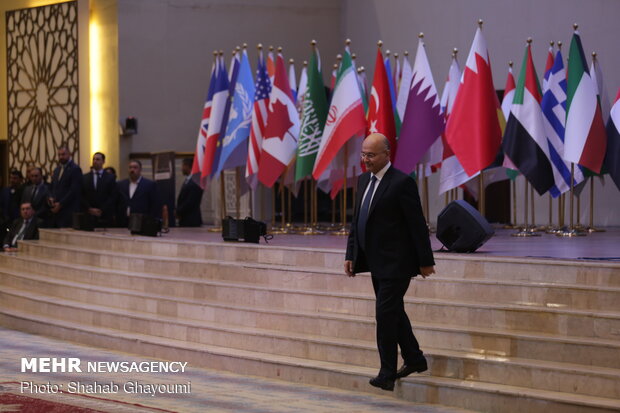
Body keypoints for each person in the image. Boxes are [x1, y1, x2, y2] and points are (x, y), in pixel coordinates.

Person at [345, 133, 435, 392]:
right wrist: (351, 254)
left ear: (387, 155)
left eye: (370, 155)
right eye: (363, 154)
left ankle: (387, 373)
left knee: (384, 316)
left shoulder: (401, 183)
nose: (365, 160)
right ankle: (415, 358)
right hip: (374, 261)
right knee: (393, 312)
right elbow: (357, 222)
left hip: (397, 263)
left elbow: (417, 225)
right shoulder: (364, 180)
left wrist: (425, 261)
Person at [116, 160, 160, 227]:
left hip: (141, 221)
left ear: (140, 170)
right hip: (123, 221)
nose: (132, 170)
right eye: (130, 167)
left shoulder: (149, 184)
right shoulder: (121, 184)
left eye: (135, 167)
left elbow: (154, 204)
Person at [50, 144, 83, 227]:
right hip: (56, 210)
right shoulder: (57, 169)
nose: (61, 157)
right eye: (59, 155)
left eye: (63, 154)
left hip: (68, 209)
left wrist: (61, 204)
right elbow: (53, 186)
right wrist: (51, 198)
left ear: (69, 154)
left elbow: (74, 190)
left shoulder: (75, 169)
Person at [82, 152, 117, 227]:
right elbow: (82, 195)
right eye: (94, 159)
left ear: (103, 161)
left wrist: (101, 209)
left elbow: (112, 196)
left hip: (105, 215)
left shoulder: (110, 177)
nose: (95, 161)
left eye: (98, 159)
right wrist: (89, 208)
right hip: (89, 215)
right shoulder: (85, 177)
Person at [176, 158, 203, 227]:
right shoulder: (188, 180)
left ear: (187, 166)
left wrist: (178, 211)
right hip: (185, 219)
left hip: (192, 220)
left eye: (182, 166)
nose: (181, 168)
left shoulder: (195, 181)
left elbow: (190, 202)